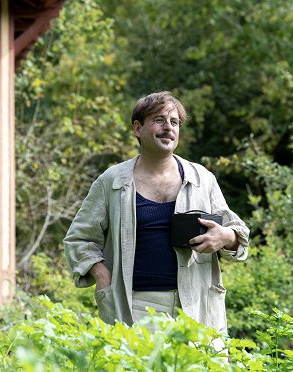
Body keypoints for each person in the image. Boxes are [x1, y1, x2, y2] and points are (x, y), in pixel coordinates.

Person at [63, 91, 249, 333]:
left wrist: (226, 237)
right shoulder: (112, 181)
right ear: (137, 128)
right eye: (159, 120)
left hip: (196, 303)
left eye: (174, 122)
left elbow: (238, 235)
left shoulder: (202, 178)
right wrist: (101, 276)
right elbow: (79, 239)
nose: (168, 128)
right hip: (136, 307)